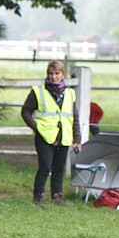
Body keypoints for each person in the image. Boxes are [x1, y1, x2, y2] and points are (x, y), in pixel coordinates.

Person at [21, 60, 82, 207]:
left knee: (58, 168)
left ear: (62, 74)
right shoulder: (38, 91)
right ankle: (38, 197)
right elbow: (25, 111)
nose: (54, 77)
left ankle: (57, 196)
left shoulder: (69, 93)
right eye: (51, 73)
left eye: (57, 73)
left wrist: (77, 138)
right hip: (44, 135)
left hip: (64, 135)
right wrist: (36, 127)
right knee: (45, 167)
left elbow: (74, 117)